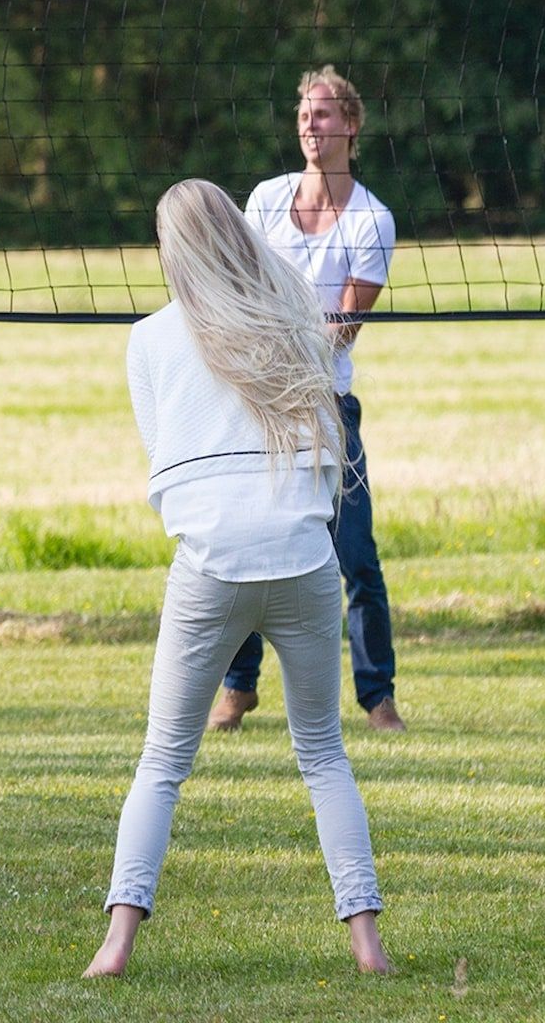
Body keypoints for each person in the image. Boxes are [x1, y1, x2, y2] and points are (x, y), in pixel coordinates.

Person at [85, 179, 387, 979]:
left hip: (212, 565)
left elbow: (165, 459)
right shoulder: (293, 322)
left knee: (162, 759)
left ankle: (115, 946)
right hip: (304, 557)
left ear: (170, 250)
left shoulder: (149, 339)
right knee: (323, 753)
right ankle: (368, 947)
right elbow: (330, 442)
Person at [209, 67, 404, 734]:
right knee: (246, 544)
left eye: (322, 116)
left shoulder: (373, 220)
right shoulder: (265, 199)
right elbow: (236, 287)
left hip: (325, 404)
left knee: (355, 555)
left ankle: (378, 699)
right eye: (303, 116)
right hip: (261, 402)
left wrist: (281, 328)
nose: (309, 127)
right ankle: (238, 688)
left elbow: (341, 330)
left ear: (351, 124)